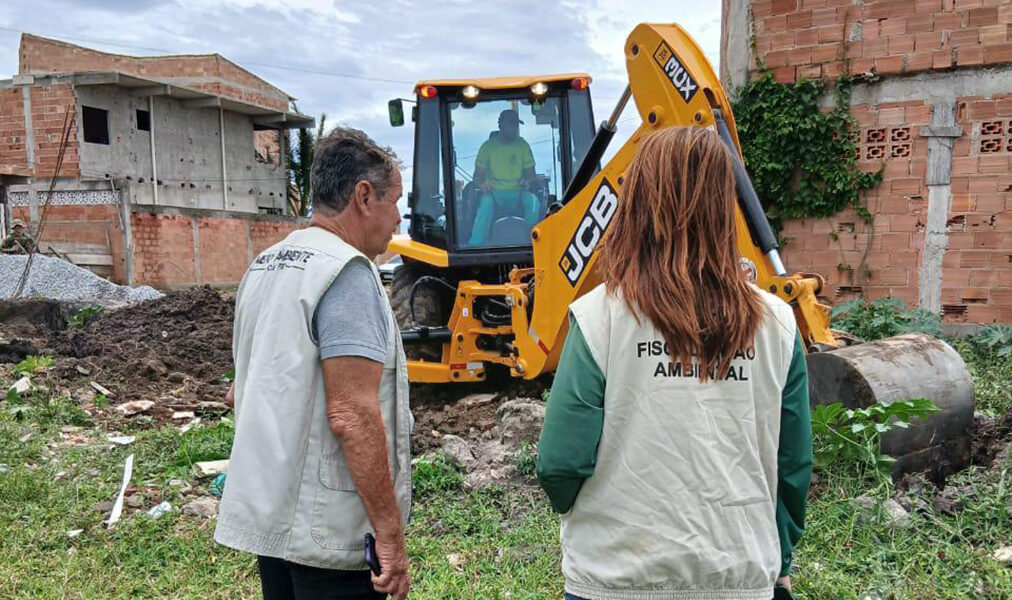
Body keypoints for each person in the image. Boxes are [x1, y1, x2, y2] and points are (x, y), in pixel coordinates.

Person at [536, 126, 813, 600]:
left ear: (637, 203)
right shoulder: (778, 324)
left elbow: (559, 463)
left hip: (615, 576)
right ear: (725, 207)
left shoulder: (599, 316)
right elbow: (793, 465)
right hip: (738, 575)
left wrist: (589, 514)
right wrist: (780, 559)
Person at [215, 127, 412, 600]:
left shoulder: (266, 265)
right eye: (394, 201)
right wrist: (388, 533)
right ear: (364, 196)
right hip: (328, 532)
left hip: (274, 521)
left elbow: (240, 388)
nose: (399, 219)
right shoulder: (347, 274)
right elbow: (352, 414)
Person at [467, 108, 540, 246]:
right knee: (485, 205)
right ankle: (475, 246)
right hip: (494, 194)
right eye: (510, 124)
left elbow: (531, 174)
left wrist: (527, 181)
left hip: (518, 192)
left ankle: (534, 243)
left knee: (534, 202)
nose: (514, 128)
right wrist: (482, 184)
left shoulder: (522, 145)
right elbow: (478, 176)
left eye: (516, 125)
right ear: (500, 124)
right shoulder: (487, 147)